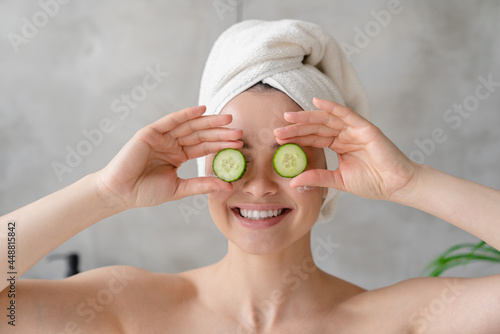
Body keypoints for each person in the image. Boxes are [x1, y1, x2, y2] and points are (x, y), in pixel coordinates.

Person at [1, 20, 500, 334]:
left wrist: (410, 182)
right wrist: (104, 193)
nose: (259, 186)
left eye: (289, 156)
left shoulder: (400, 321)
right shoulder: (125, 308)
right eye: (233, 156)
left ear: (329, 165)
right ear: (203, 162)